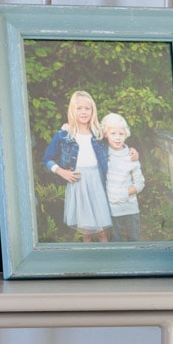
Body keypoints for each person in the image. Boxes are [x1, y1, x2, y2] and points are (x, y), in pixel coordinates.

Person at [42, 91, 136, 243]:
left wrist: (131, 150)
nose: (84, 112)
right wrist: (61, 171)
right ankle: (89, 263)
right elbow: (47, 159)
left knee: (102, 233)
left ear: (93, 111)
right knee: (86, 233)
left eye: (88, 108)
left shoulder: (99, 133)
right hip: (78, 184)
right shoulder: (63, 135)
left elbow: (116, 141)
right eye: (79, 108)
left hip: (98, 183)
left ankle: (106, 263)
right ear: (72, 110)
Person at [101, 113, 145, 242]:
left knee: (134, 239)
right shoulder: (103, 155)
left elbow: (140, 183)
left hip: (130, 208)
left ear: (126, 134)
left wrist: (125, 193)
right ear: (105, 134)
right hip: (112, 210)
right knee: (115, 241)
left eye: (121, 134)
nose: (117, 138)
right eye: (113, 133)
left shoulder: (131, 156)